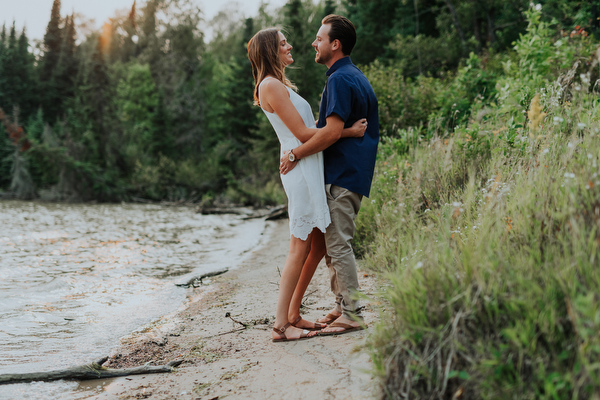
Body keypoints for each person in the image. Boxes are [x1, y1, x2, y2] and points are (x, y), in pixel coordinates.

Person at [247, 28, 367, 342]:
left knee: (317, 245)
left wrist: (330, 133)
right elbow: (303, 134)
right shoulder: (270, 85)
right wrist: (346, 132)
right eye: (283, 42)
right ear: (271, 49)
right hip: (298, 168)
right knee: (298, 246)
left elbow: (309, 130)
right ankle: (279, 326)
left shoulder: (279, 84)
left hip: (307, 167)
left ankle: (293, 314)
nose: (290, 45)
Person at [280, 15, 379, 336]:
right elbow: (340, 130)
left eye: (320, 39)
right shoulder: (355, 76)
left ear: (335, 44)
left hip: (342, 173)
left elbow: (330, 132)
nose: (314, 43)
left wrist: (295, 154)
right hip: (353, 172)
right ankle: (342, 305)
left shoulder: (339, 79)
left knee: (338, 245)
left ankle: (352, 313)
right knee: (334, 242)